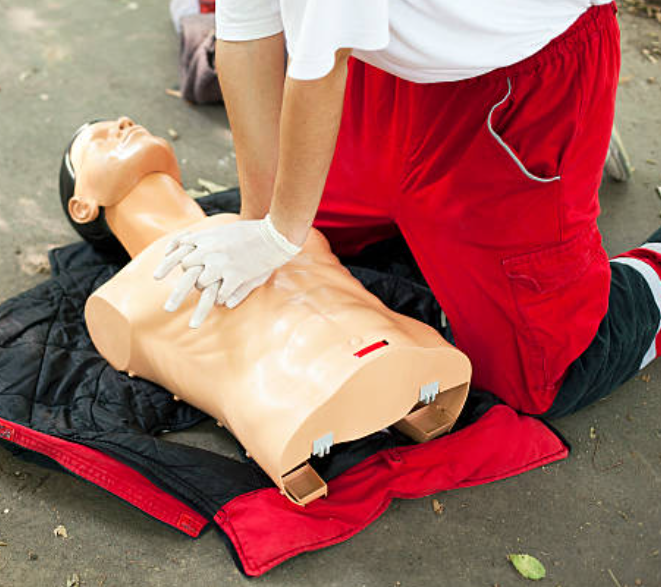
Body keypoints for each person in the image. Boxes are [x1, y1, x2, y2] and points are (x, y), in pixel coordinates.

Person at [153, 1, 661, 418]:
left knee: (537, 374)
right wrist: (259, 221)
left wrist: (278, 235)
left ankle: (642, 256)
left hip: (518, 82)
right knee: (319, 238)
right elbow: (246, 29)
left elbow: (322, 62)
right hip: (387, 65)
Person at [61, 118, 471, 504]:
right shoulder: (122, 301)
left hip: (420, 356)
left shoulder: (271, 213)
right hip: (297, 408)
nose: (122, 124)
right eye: (98, 140)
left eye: (123, 122)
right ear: (82, 206)